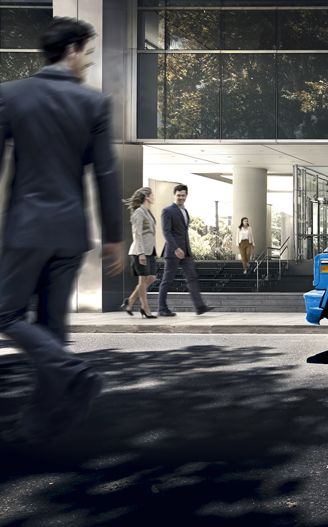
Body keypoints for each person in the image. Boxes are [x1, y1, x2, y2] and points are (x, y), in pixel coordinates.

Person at [0, 17, 124, 443]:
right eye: (87, 53)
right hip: (71, 232)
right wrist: (113, 237)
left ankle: (74, 375)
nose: (88, 62)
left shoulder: (12, 95)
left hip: (27, 228)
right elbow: (106, 173)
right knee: (52, 330)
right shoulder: (94, 104)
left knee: (6, 313)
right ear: (71, 48)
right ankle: (43, 422)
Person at [156, 184, 214, 316]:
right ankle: (161, 308)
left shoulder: (185, 211)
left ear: (186, 196)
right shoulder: (168, 211)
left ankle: (199, 307)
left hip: (186, 251)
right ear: (174, 195)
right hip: (173, 251)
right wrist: (176, 248)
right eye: (178, 195)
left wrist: (185, 249)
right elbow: (166, 231)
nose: (181, 198)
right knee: (167, 280)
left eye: (183, 195)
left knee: (192, 277)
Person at [121, 187, 158, 318]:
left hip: (149, 250)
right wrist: (141, 253)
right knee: (143, 280)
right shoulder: (139, 212)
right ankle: (145, 308)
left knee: (152, 278)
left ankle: (130, 300)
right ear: (147, 197)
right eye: (152, 195)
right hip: (139, 251)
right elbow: (137, 234)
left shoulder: (147, 212)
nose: (154, 197)